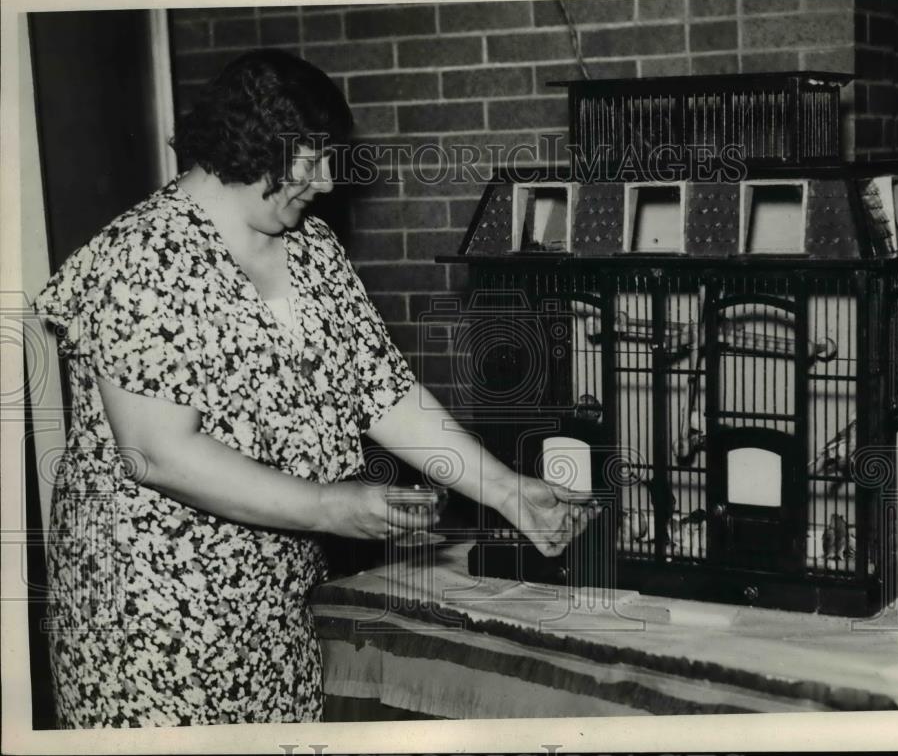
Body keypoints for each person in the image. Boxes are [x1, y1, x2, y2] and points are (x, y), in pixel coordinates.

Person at [32, 48, 589, 728]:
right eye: (314, 156)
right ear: (255, 142)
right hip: (150, 622)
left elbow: (383, 391)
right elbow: (157, 453)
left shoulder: (310, 247)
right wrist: (328, 506)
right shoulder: (142, 257)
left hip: (270, 612)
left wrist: (506, 490)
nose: (326, 180)